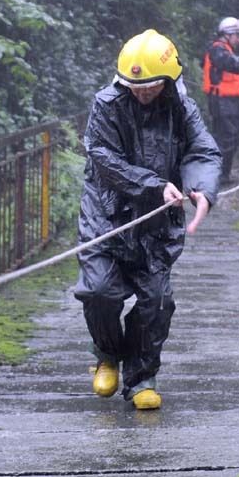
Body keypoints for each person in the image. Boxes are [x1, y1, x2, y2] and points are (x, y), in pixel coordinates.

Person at [74, 29, 222, 410]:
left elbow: (203, 151)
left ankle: (141, 377)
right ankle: (107, 354)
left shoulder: (182, 108)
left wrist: (202, 190)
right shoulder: (106, 104)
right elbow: (104, 158)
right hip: (106, 214)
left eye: (151, 86)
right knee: (99, 291)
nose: (142, 92)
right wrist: (155, 185)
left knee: (156, 301)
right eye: (134, 86)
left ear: (168, 81)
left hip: (156, 223)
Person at [202, 16, 239, 183]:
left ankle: (223, 174)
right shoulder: (218, 50)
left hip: (232, 102)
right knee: (225, 139)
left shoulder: (227, 50)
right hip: (222, 102)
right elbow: (228, 61)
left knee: (232, 139)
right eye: (237, 35)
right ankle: (217, 175)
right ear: (227, 34)